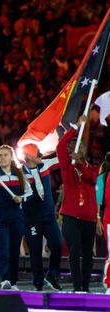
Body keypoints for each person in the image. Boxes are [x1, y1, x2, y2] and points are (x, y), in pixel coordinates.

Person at [57, 115, 100, 292]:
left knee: (88, 255)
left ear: (84, 149)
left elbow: (92, 179)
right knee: (74, 252)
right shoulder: (67, 167)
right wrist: (76, 127)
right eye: (73, 146)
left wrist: (81, 165)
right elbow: (60, 146)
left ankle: (86, 286)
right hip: (71, 216)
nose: (77, 148)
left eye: (80, 145)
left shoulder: (92, 168)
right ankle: (77, 287)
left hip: (89, 218)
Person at [0, 145, 32, 290]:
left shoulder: (20, 175)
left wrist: (21, 199)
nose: (2, 158)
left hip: (16, 218)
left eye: (5, 155)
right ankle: (5, 279)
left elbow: (30, 193)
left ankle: (14, 282)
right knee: (3, 249)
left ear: (11, 157)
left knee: (15, 250)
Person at [21, 146, 62, 291]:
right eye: (37, 153)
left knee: (57, 245)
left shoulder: (45, 165)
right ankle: (38, 280)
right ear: (29, 156)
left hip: (49, 217)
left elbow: (63, 158)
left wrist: (72, 131)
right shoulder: (20, 174)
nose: (41, 154)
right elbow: (22, 198)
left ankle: (52, 274)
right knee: (35, 250)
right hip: (32, 219)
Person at [96, 151, 110, 293]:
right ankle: (108, 283)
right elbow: (97, 201)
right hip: (109, 219)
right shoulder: (104, 178)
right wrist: (98, 219)